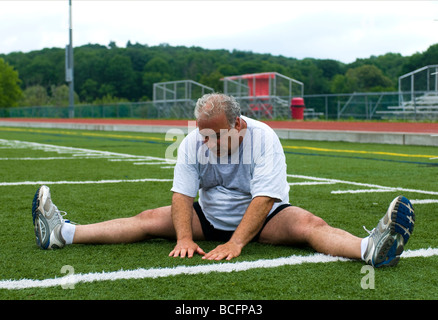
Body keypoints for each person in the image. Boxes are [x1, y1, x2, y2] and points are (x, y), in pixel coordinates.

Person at [31, 93, 415, 267]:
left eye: (215, 133)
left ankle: (370, 248)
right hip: (209, 215)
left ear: (239, 125)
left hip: (263, 218)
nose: (206, 140)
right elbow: (181, 195)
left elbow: (265, 199)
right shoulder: (193, 141)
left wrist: (235, 243)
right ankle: (62, 233)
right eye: (202, 132)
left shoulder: (264, 138)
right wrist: (184, 237)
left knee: (310, 224)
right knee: (149, 217)